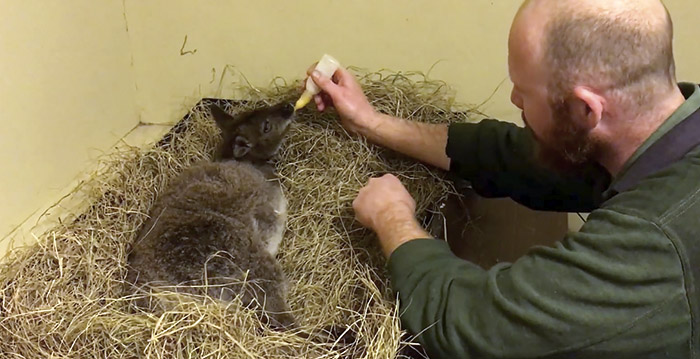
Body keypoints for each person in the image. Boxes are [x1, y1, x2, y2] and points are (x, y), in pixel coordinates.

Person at [306, 0, 699, 357]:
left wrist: (392, 218)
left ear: (585, 110)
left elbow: (475, 325)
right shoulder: (666, 133)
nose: (514, 99)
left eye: (524, 92)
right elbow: (522, 156)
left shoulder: (656, 245)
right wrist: (373, 124)